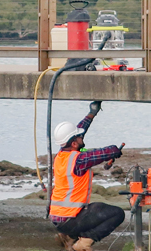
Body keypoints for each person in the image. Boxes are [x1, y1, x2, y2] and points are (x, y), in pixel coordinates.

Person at [50, 101, 125, 251]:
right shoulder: (78, 160)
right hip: (71, 218)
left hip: (59, 217)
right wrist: (115, 150)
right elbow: (106, 152)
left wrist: (92, 113)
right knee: (117, 214)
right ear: (74, 143)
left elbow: (80, 131)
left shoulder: (62, 154)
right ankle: (82, 244)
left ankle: (67, 236)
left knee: (97, 208)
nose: (81, 136)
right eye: (78, 137)